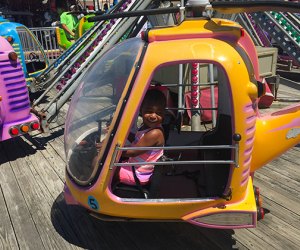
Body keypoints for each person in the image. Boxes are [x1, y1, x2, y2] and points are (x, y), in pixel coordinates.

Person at [118, 89, 167, 186]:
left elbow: (132, 152)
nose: (153, 116)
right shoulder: (146, 128)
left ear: (164, 114)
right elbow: (138, 139)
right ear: (141, 110)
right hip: (133, 167)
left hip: (138, 175)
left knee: (99, 166)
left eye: (159, 113)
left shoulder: (155, 133)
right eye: (149, 111)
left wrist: (108, 150)